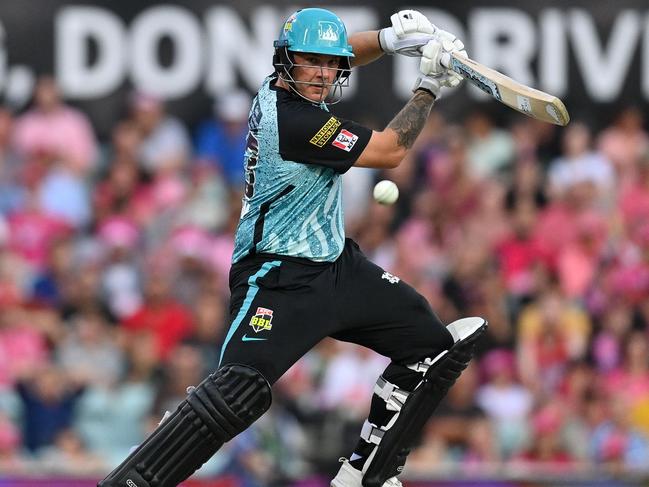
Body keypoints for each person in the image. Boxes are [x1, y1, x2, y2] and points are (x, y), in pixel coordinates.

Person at [98, 8, 487, 487]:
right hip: (278, 277)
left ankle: (366, 474)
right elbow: (391, 150)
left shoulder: (284, 85)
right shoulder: (296, 121)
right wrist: (429, 87)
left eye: (332, 64)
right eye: (311, 62)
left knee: (429, 347)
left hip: (338, 267)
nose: (323, 74)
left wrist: (389, 40)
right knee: (237, 392)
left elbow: (334, 58)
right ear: (287, 60)